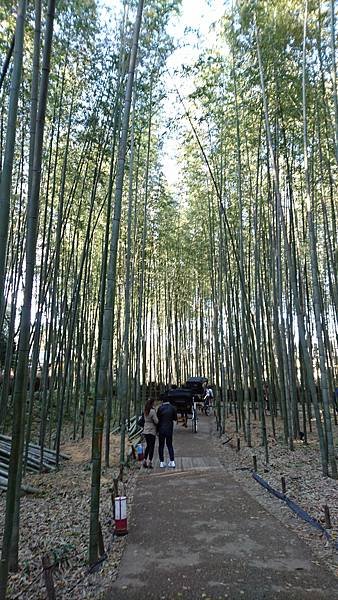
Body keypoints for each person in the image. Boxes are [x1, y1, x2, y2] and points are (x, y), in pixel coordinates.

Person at [157, 394, 177, 468]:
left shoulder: (160, 408)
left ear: (162, 401)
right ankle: (172, 461)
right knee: (170, 445)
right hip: (169, 429)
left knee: (161, 446)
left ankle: (161, 462)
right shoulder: (172, 408)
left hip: (161, 429)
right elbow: (175, 418)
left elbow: (157, 419)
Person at [142, 398, 158, 469]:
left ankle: (144, 460)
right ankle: (150, 462)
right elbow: (156, 421)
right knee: (152, 446)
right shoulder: (152, 411)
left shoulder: (145, 410)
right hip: (152, 430)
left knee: (148, 446)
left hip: (146, 430)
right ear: (152, 403)